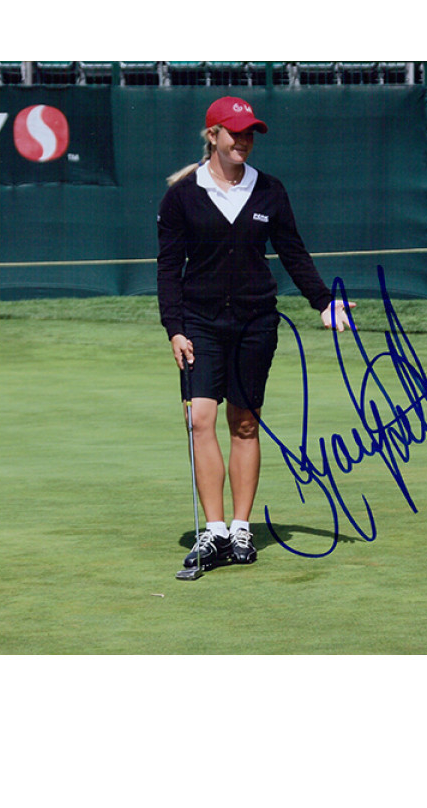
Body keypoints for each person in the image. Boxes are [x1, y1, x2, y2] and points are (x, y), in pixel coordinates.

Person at [156, 95, 354, 572]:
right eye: (235, 132)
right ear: (213, 136)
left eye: (249, 134)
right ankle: (215, 531)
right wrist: (174, 329)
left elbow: (293, 253)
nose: (243, 141)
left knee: (245, 424)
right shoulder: (182, 195)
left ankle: (241, 529)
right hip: (200, 323)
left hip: (254, 323)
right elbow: (168, 268)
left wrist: (323, 301)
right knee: (200, 420)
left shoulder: (270, 191)